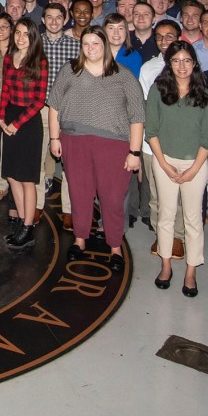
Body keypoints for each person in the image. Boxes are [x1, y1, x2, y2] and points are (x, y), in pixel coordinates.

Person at [43, 27, 143, 266]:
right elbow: (54, 106)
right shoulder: (70, 70)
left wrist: (135, 152)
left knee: (111, 198)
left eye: (95, 43)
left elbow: (137, 116)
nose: (90, 48)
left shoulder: (123, 75)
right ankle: (80, 239)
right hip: (74, 141)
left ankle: (115, 246)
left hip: (114, 145)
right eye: (86, 44)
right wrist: (55, 138)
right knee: (79, 194)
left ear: (105, 45)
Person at [144, 41, 208, 295]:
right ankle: (165, 266)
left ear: (194, 63)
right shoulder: (157, 91)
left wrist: (194, 169)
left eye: (186, 60)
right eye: (176, 61)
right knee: (166, 215)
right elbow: (151, 130)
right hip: (165, 161)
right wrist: (163, 164)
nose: (181, 66)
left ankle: (192, 271)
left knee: (193, 219)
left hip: (196, 164)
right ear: (168, 64)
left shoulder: (206, 96)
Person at [0, 19, 50, 249]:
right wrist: (1, 117)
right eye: (17, 33)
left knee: (27, 178)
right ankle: (20, 221)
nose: (20, 37)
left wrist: (16, 124)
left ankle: (28, 226)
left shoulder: (40, 61)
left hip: (28, 122)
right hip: (10, 118)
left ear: (34, 37)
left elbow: (39, 101)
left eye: (25, 34)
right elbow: (6, 89)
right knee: (11, 175)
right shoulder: (9, 58)